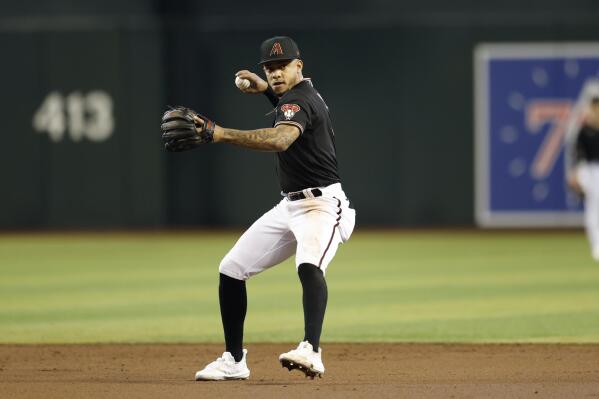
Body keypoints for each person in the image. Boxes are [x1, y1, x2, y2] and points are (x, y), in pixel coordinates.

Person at [187, 36, 356, 380]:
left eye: (282, 66)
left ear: (299, 65)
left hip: (323, 205)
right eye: (270, 67)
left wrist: (218, 133)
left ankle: (312, 349)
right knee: (231, 268)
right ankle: (234, 361)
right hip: (289, 206)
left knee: (309, 264)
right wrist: (265, 88)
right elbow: (285, 102)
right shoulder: (297, 95)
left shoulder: (300, 100)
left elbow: (280, 139)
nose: (276, 72)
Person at [567, 96, 599, 262]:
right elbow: (577, 155)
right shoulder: (584, 130)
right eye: (594, 108)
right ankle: (597, 245)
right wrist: (575, 174)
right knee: (594, 206)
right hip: (591, 170)